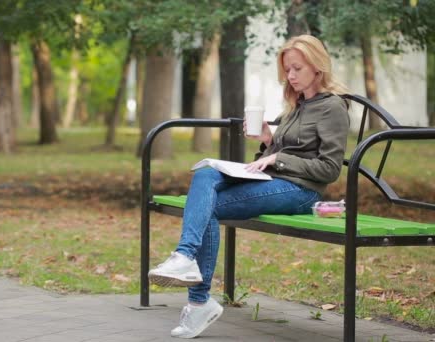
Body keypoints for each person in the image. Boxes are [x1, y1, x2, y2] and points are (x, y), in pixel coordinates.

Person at [147, 34, 350, 339]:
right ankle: (184, 259)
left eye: (296, 68)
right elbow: (275, 155)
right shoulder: (295, 106)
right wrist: (268, 141)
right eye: (287, 71)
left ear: (317, 66)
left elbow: (329, 169)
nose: (291, 76)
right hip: (274, 181)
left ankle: (196, 294)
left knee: (208, 207)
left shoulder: (332, 108)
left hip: (300, 192)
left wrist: (278, 158)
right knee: (205, 175)